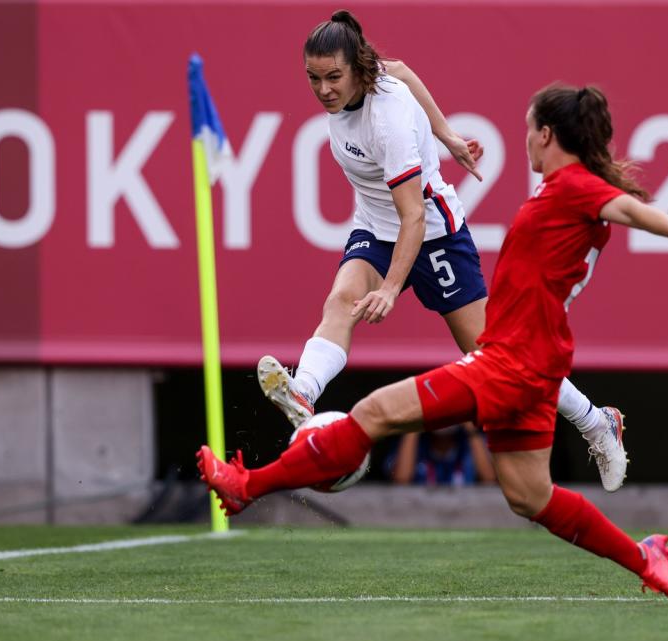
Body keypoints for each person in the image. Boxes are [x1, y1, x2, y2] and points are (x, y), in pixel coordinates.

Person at [199, 81, 668, 607]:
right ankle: (643, 556)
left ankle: (248, 485)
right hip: (535, 366)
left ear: (546, 134)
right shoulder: (562, 188)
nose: (524, 143)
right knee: (529, 496)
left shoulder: (574, 187)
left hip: (509, 364)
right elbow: (612, 209)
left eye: (526, 131)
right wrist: (430, 118)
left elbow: (625, 209)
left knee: (373, 413)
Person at [257, 10, 629, 492]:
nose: (324, 89)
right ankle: (303, 393)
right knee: (339, 302)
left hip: (432, 235)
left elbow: (413, 215)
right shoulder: (376, 76)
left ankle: (597, 421)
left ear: (357, 68)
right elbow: (407, 70)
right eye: (313, 78)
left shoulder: (385, 120)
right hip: (375, 227)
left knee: (498, 354)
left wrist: (391, 288)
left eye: (333, 77)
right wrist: (448, 135)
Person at [387, 423, 496, 486]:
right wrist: (415, 425)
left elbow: (489, 480)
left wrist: (470, 428)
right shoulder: (414, 446)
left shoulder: (471, 445)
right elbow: (401, 480)